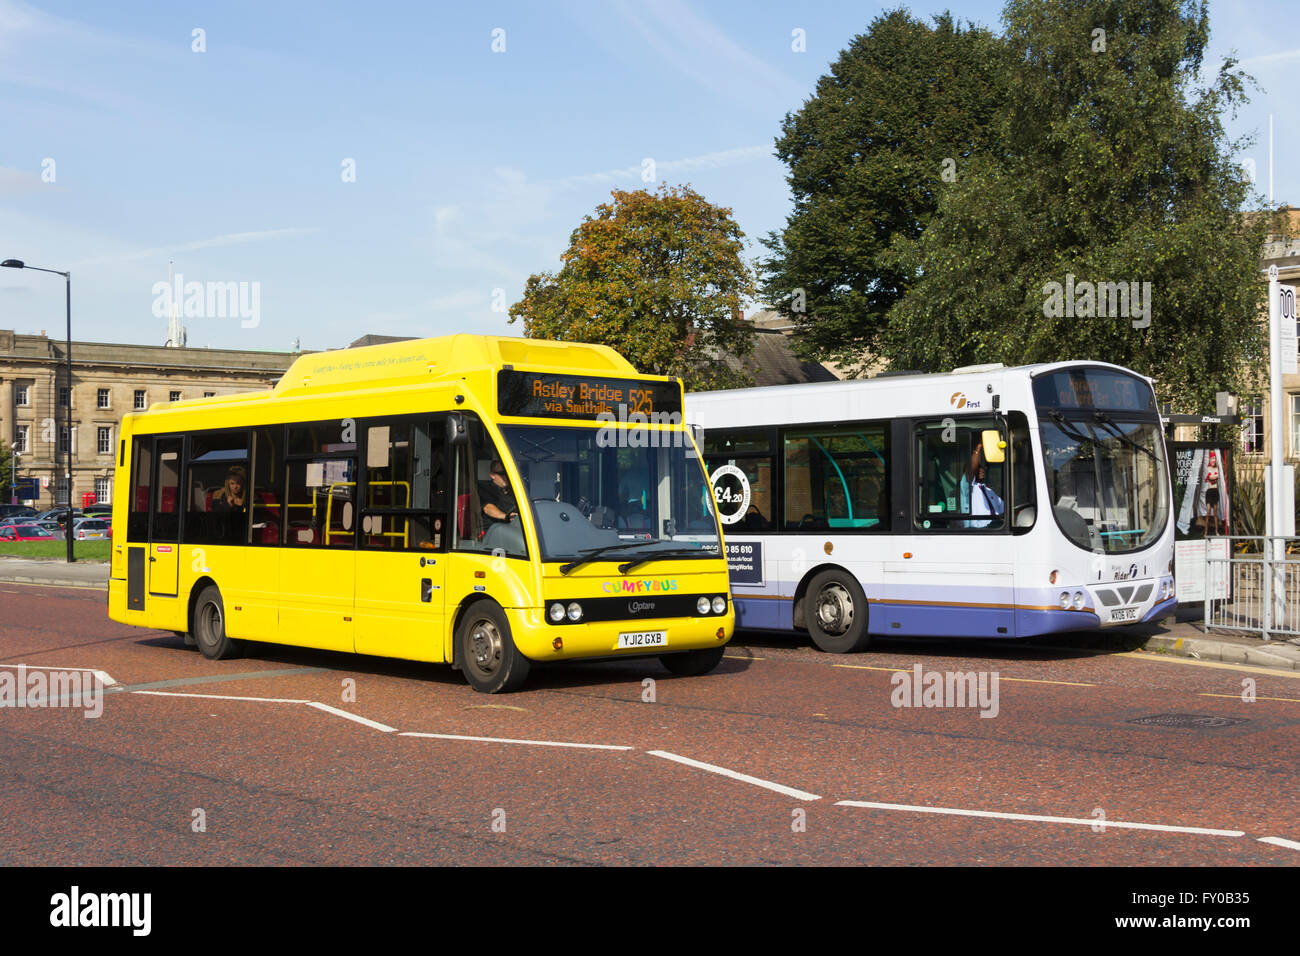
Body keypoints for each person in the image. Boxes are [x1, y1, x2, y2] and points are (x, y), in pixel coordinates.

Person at [962, 446, 1004, 529]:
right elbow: (971, 469)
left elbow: (1004, 508)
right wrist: (978, 448)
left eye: (982, 468)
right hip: (979, 531)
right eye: (978, 468)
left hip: (997, 528)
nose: (981, 470)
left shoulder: (989, 491)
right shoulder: (967, 487)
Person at [479, 460, 518, 526]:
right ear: (492, 475)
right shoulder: (486, 489)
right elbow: (487, 508)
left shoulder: (514, 490)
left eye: (507, 473)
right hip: (493, 531)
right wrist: (506, 517)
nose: (506, 477)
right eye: (502, 473)